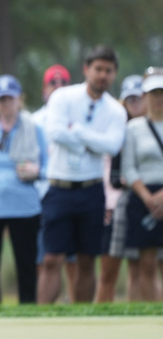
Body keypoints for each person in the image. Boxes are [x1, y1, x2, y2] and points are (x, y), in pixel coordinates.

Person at [39, 46, 126, 304]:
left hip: (91, 189)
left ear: (114, 74)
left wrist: (76, 131)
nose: (102, 75)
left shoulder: (115, 110)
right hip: (59, 188)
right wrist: (90, 142)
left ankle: (82, 315)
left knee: (87, 259)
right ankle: (42, 317)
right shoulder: (63, 97)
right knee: (52, 258)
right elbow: (54, 132)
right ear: (86, 69)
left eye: (108, 71)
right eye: (98, 69)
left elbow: (112, 146)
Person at [0, 75, 47, 304]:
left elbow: (46, 167)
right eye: (1, 99)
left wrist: (35, 172)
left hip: (24, 203)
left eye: (10, 99)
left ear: (19, 99)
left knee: (26, 262)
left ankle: (28, 309)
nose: (6, 104)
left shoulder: (34, 128)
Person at [32, 64, 78, 292]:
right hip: (43, 195)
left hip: (74, 191)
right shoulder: (34, 120)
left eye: (63, 83)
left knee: (75, 260)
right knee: (47, 258)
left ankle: (75, 309)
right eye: (53, 83)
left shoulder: (78, 118)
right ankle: (49, 310)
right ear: (44, 88)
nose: (58, 88)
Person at [99, 75, 145, 302]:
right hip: (114, 206)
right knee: (108, 271)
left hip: (144, 205)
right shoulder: (115, 130)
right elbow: (111, 176)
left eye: (139, 98)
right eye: (130, 99)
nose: (135, 103)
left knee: (140, 268)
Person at [119, 69, 163, 302]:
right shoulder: (134, 128)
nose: (157, 98)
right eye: (153, 93)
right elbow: (129, 167)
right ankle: (151, 310)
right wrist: (149, 198)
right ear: (145, 96)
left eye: (161, 93)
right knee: (146, 262)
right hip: (143, 197)